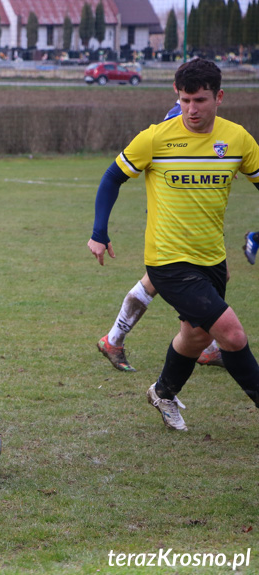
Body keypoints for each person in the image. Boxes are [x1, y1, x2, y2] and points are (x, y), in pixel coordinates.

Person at [87, 58, 259, 431]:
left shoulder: (237, 139)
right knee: (231, 333)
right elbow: (111, 178)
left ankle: (163, 393)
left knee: (195, 336)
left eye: (199, 100)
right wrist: (99, 231)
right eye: (184, 100)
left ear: (219, 97)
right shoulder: (156, 137)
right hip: (168, 261)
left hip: (211, 259)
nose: (191, 110)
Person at [97, 98, 224, 372]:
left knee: (201, 277)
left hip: (196, 219)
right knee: (179, 279)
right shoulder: (179, 117)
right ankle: (115, 340)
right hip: (174, 217)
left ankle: (207, 347)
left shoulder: (201, 116)